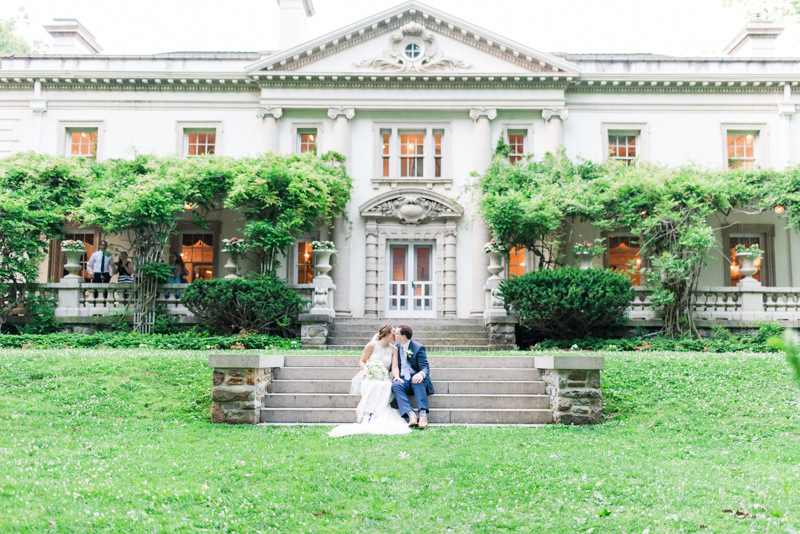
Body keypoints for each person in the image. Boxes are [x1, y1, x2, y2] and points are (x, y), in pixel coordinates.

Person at [328, 324, 412, 437]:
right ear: (386, 332)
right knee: (374, 384)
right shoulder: (371, 345)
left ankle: (375, 415)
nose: (395, 334)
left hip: (385, 378)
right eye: (393, 331)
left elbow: (395, 367)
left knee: (386, 385)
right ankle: (367, 415)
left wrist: (396, 376)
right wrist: (368, 371)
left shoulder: (394, 349)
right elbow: (362, 361)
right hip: (370, 377)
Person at [392, 324, 434, 429]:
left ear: (403, 336)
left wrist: (420, 374)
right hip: (404, 380)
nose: (394, 335)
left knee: (417, 380)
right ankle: (411, 415)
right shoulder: (395, 348)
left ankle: (423, 415)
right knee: (396, 385)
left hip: (417, 380)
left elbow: (425, 367)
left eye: (396, 334)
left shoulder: (418, 347)